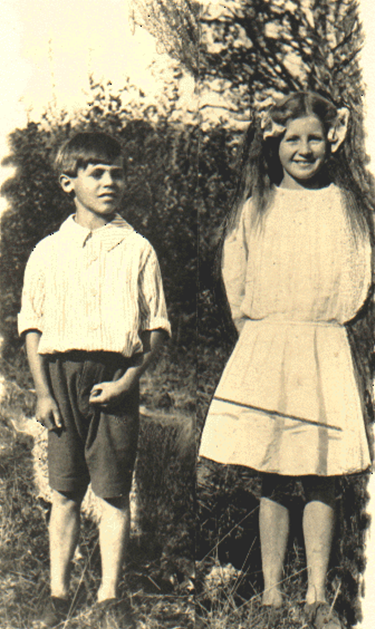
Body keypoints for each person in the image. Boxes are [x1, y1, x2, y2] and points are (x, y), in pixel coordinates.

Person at [198, 91, 374, 629]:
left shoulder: (345, 207)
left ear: (333, 140)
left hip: (323, 346)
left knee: (321, 472)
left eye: (314, 138)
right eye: (292, 138)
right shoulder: (257, 207)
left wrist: (322, 325)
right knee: (272, 472)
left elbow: (357, 280)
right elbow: (237, 277)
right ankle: (273, 593)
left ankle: (318, 595)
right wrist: (258, 334)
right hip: (268, 345)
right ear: (275, 142)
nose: (303, 148)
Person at [18, 132, 171, 628]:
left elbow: (156, 329)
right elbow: (32, 326)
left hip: (114, 381)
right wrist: (43, 391)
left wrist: (130, 380)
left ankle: (109, 595)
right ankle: (58, 592)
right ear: (69, 182)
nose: (109, 181)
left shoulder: (138, 249)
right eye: (95, 172)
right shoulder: (47, 250)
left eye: (117, 172)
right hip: (61, 380)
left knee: (112, 492)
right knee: (64, 492)